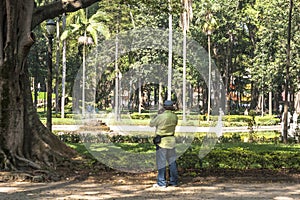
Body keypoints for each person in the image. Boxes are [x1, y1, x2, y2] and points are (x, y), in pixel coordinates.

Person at [150, 100, 178, 188]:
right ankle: (173, 181)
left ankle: (161, 182)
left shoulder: (161, 116)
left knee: (161, 163)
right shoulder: (175, 116)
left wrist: (156, 115)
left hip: (162, 142)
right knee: (172, 162)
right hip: (171, 141)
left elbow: (151, 124)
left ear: (164, 107)